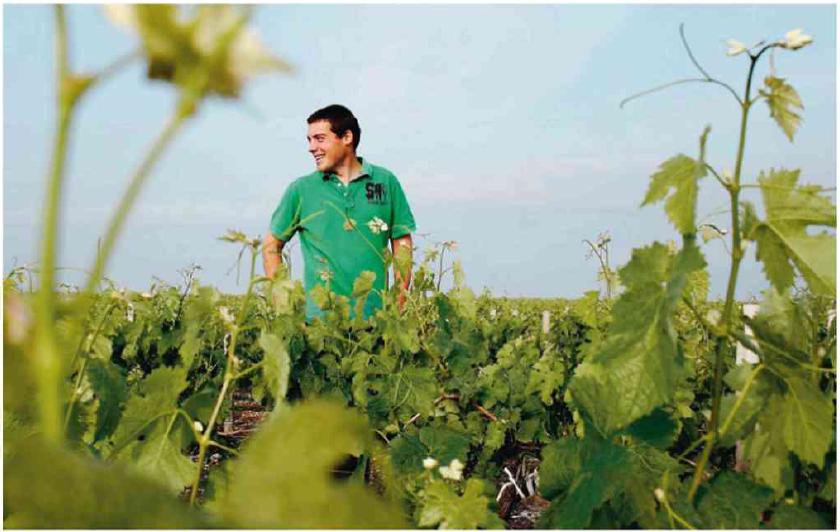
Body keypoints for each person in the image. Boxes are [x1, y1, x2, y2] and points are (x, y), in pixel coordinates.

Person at [262, 104, 416, 320]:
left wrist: (397, 305)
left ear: (346, 137)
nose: (311, 147)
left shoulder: (385, 181)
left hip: (377, 322)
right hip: (319, 325)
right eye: (309, 140)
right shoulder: (301, 190)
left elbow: (402, 242)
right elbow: (271, 245)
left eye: (320, 139)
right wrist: (285, 307)